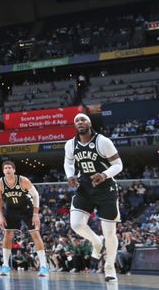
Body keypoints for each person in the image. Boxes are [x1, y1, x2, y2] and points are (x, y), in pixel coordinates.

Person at [64, 112, 124, 282]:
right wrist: (70, 175)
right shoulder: (70, 144)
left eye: (82, 119)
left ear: (89, 123)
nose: (79, 122)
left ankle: (109, 266)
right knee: (76, 224)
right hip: (85, 186)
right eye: (76, 120)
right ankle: (97, 242)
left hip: (106, 189)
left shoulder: (103, 141)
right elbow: (68, 162)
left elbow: (118, 165)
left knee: (110, 232)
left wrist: (104, 175)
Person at [0, 160, 49, 277]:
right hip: (11, 209)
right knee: (8, 235)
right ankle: (5, 265)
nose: (7, 170)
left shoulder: (23, 181)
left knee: (35, 234)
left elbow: (35, 195)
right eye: (5, 168)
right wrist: (0, 215)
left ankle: (44, 266)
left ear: (14, 170)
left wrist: (35, 214)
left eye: (10, 167)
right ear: (3, 171)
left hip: (27, 208)